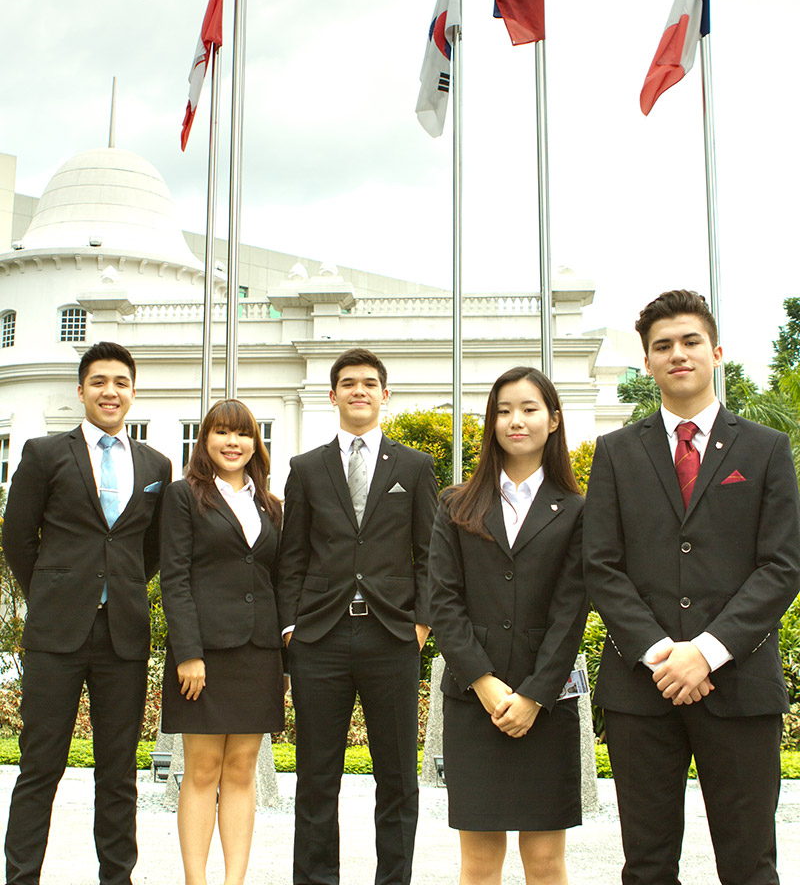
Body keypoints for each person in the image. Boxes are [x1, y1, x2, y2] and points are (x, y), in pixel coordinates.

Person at [583, 289, 800, 885]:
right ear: (648, 363)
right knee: (647, 865)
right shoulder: (616, 453)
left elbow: (781, 565)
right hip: (640, 687)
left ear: (716, 352)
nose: (677, 354)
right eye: (662, 346)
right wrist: (661, 653)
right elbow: (601, 565)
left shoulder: (765, 449)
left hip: (740, 683)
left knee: (750, 863)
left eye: (689, 341)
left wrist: (704, 651)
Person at [2, 341, 171, 885]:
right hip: (56, 635)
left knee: (119, 772)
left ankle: (116, 878)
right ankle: (22, 876)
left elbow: (152, 549)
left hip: (123, 635)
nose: (110, 392)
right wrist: (51, 592)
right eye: (99, 382)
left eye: (120, 382)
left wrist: (117, 587)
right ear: (81, 391)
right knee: (40, 766)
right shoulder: (44, 453)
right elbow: (17, 537)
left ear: (133, 391)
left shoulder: (155, 464)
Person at [278, 347, 438, 885]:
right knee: (316, 777)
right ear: (332, 395)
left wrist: (420, 626)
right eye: (348, 383)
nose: (359, 391)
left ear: (384, 394)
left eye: (370, 383)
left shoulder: (415, 467)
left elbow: (430, 555)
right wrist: (291, 627)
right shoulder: (305, 468)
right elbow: (292, 556)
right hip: (319, 638)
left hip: (392, 636)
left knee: (396, 778)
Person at [429, 366, 587, 885]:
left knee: (544, 863)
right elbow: (444, 600)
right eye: (502, 411)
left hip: (547, 705)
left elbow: (572, 611)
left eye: (528, 409)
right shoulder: (456, 504)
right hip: (475, 701)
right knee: (478, 864)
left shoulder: (578, 510)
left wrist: (535, 694)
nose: (515, 420)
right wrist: (483, 680)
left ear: (554, 419)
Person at [159, 398, 284, 885]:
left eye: (243, 434)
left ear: (255, 443)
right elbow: (175, 577)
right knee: (203, 768)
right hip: (204, 653)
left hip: (259, 652)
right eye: (222, 433)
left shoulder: (270, 504)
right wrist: (188, 653)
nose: (233, 443)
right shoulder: (184, 495)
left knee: (242, 769)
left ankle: (235, 881)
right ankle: (197, 881)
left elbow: (277, 577)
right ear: (205, 440)